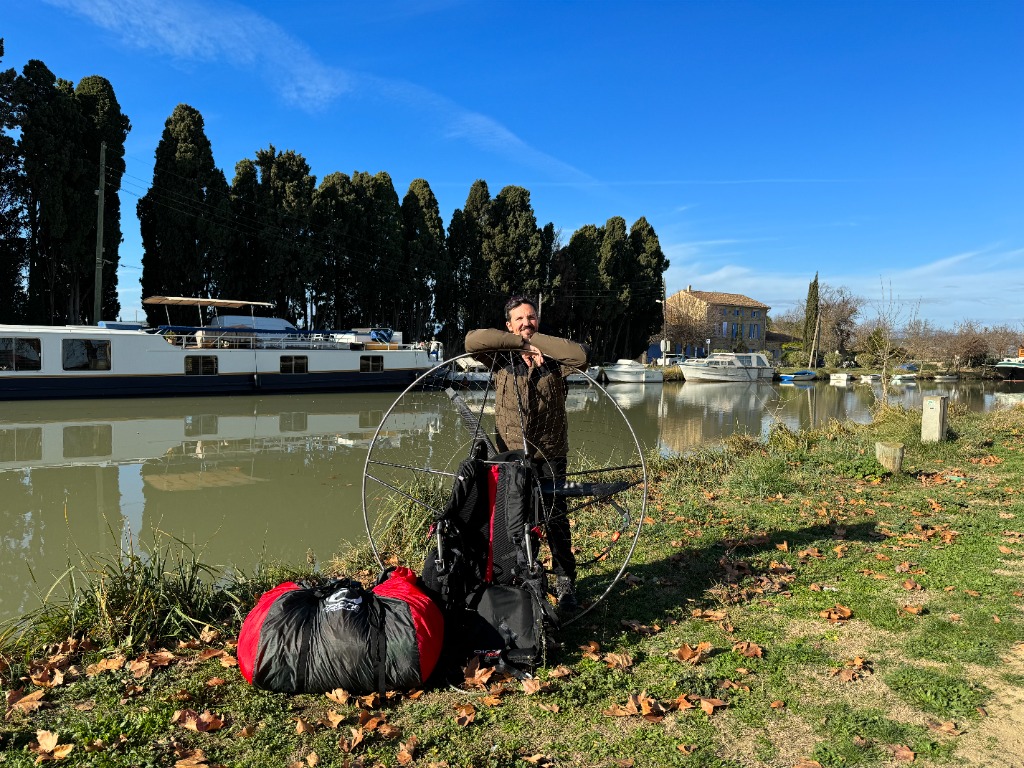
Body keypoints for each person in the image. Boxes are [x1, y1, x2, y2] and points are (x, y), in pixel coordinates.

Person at [465, 295, 589, 612]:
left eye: (531, 318)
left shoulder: (556, 363)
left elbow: (580, 354)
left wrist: (537, 343)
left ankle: (566, 583)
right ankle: (526, 581)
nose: (526, 323)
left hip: (550, 454)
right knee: (518, 522)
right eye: (519, 319)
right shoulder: (501, 359)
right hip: (510, 458)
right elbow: (472, 341)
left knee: (556, 520)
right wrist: (517, 343)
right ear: (508, 325)